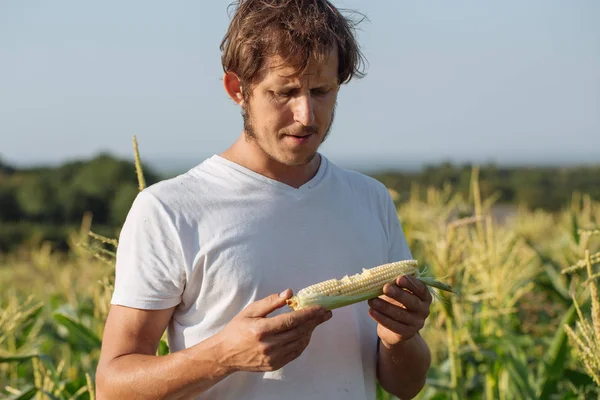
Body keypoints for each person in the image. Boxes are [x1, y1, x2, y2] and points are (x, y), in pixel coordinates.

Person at [95, 1, 433, 399]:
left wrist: (399, 340)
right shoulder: (169, 210)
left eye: (321, 91)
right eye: (284, 91)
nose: (306, 115)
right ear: (237, 89)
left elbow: (406, 387)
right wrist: (223, 355)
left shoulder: (370, 199)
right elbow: (112, 387)